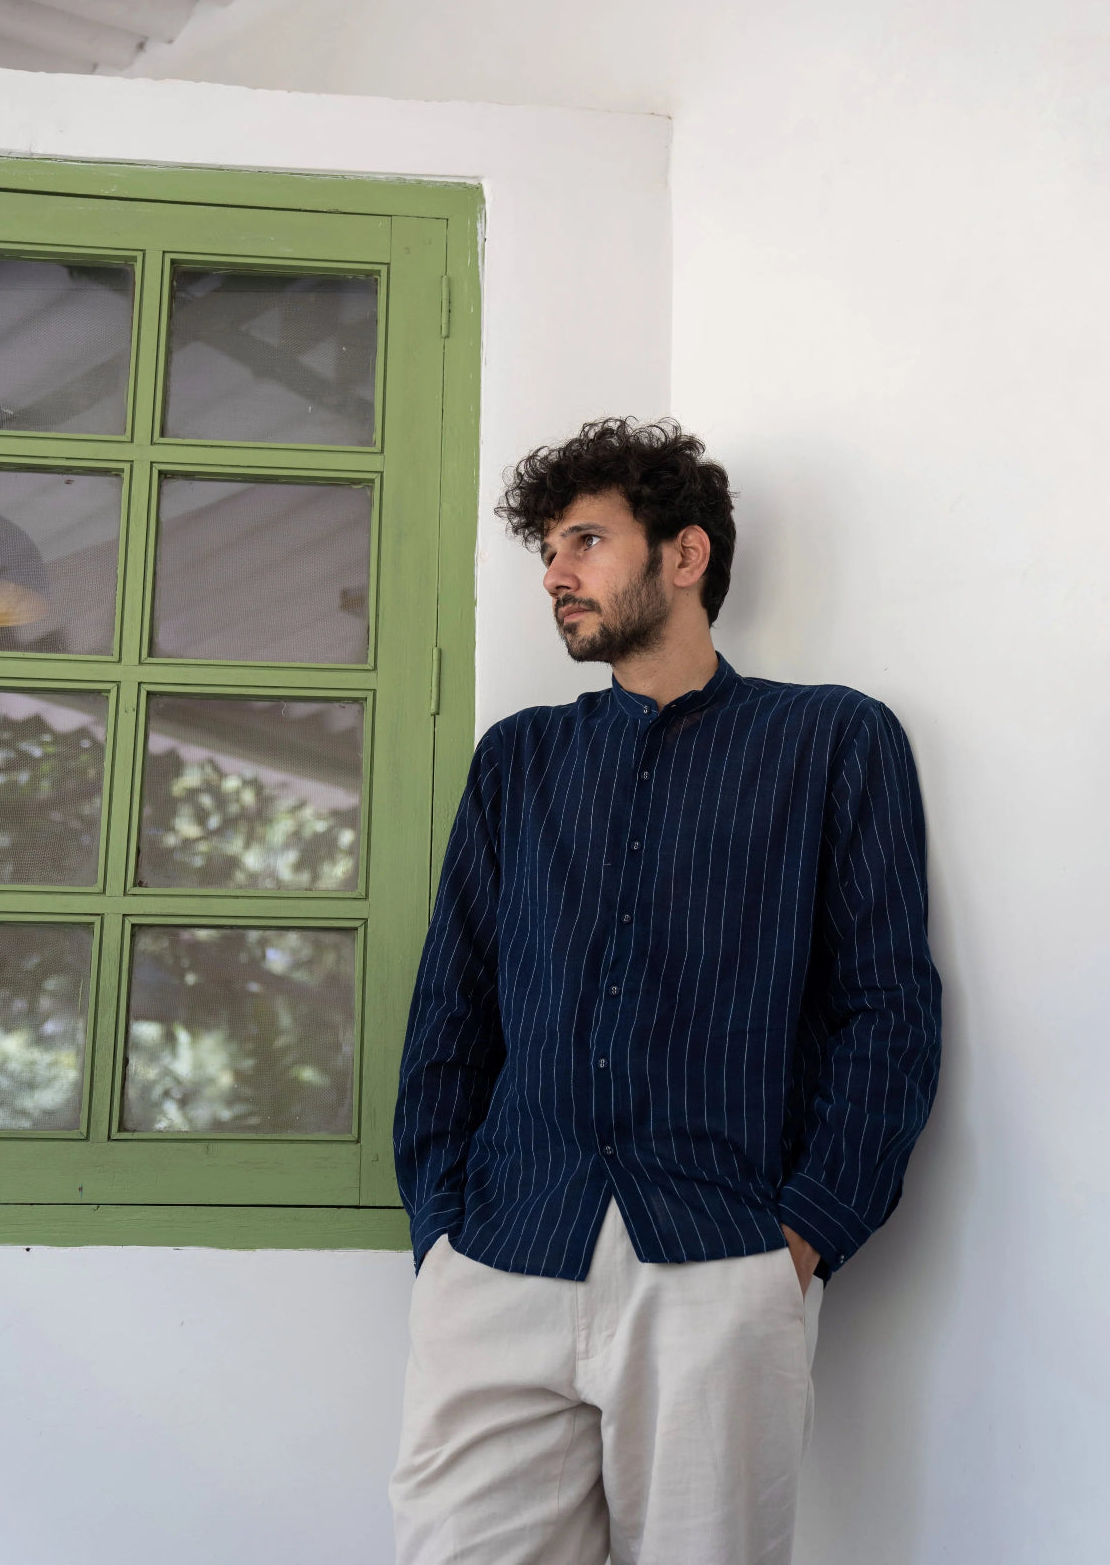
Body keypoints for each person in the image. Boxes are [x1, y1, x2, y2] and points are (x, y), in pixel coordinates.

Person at [390, 418, 941, 1565]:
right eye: (547, 547)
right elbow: (453, 1010)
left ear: (684, 557)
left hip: (719, 1259)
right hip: (501, 1255)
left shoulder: (834, 741)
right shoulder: (519, 761)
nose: (554, 571)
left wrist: (803, 1236)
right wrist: (442, 1234)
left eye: (585, 539)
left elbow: (886, 1008)